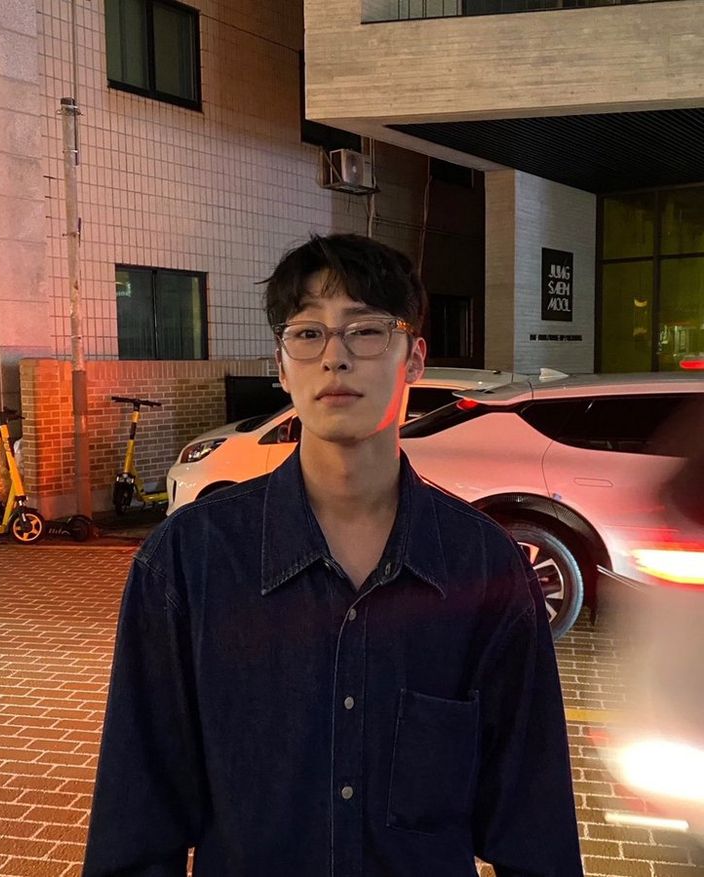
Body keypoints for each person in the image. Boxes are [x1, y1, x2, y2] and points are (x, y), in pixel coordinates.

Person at [82, 234, 582, 876]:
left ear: (414, 357)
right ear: (282, 365)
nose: (335, 358)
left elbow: (533, 826)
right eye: (308, 334)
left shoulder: (484, 568)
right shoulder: (189, 561)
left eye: (365, 330)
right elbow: (137, 819)